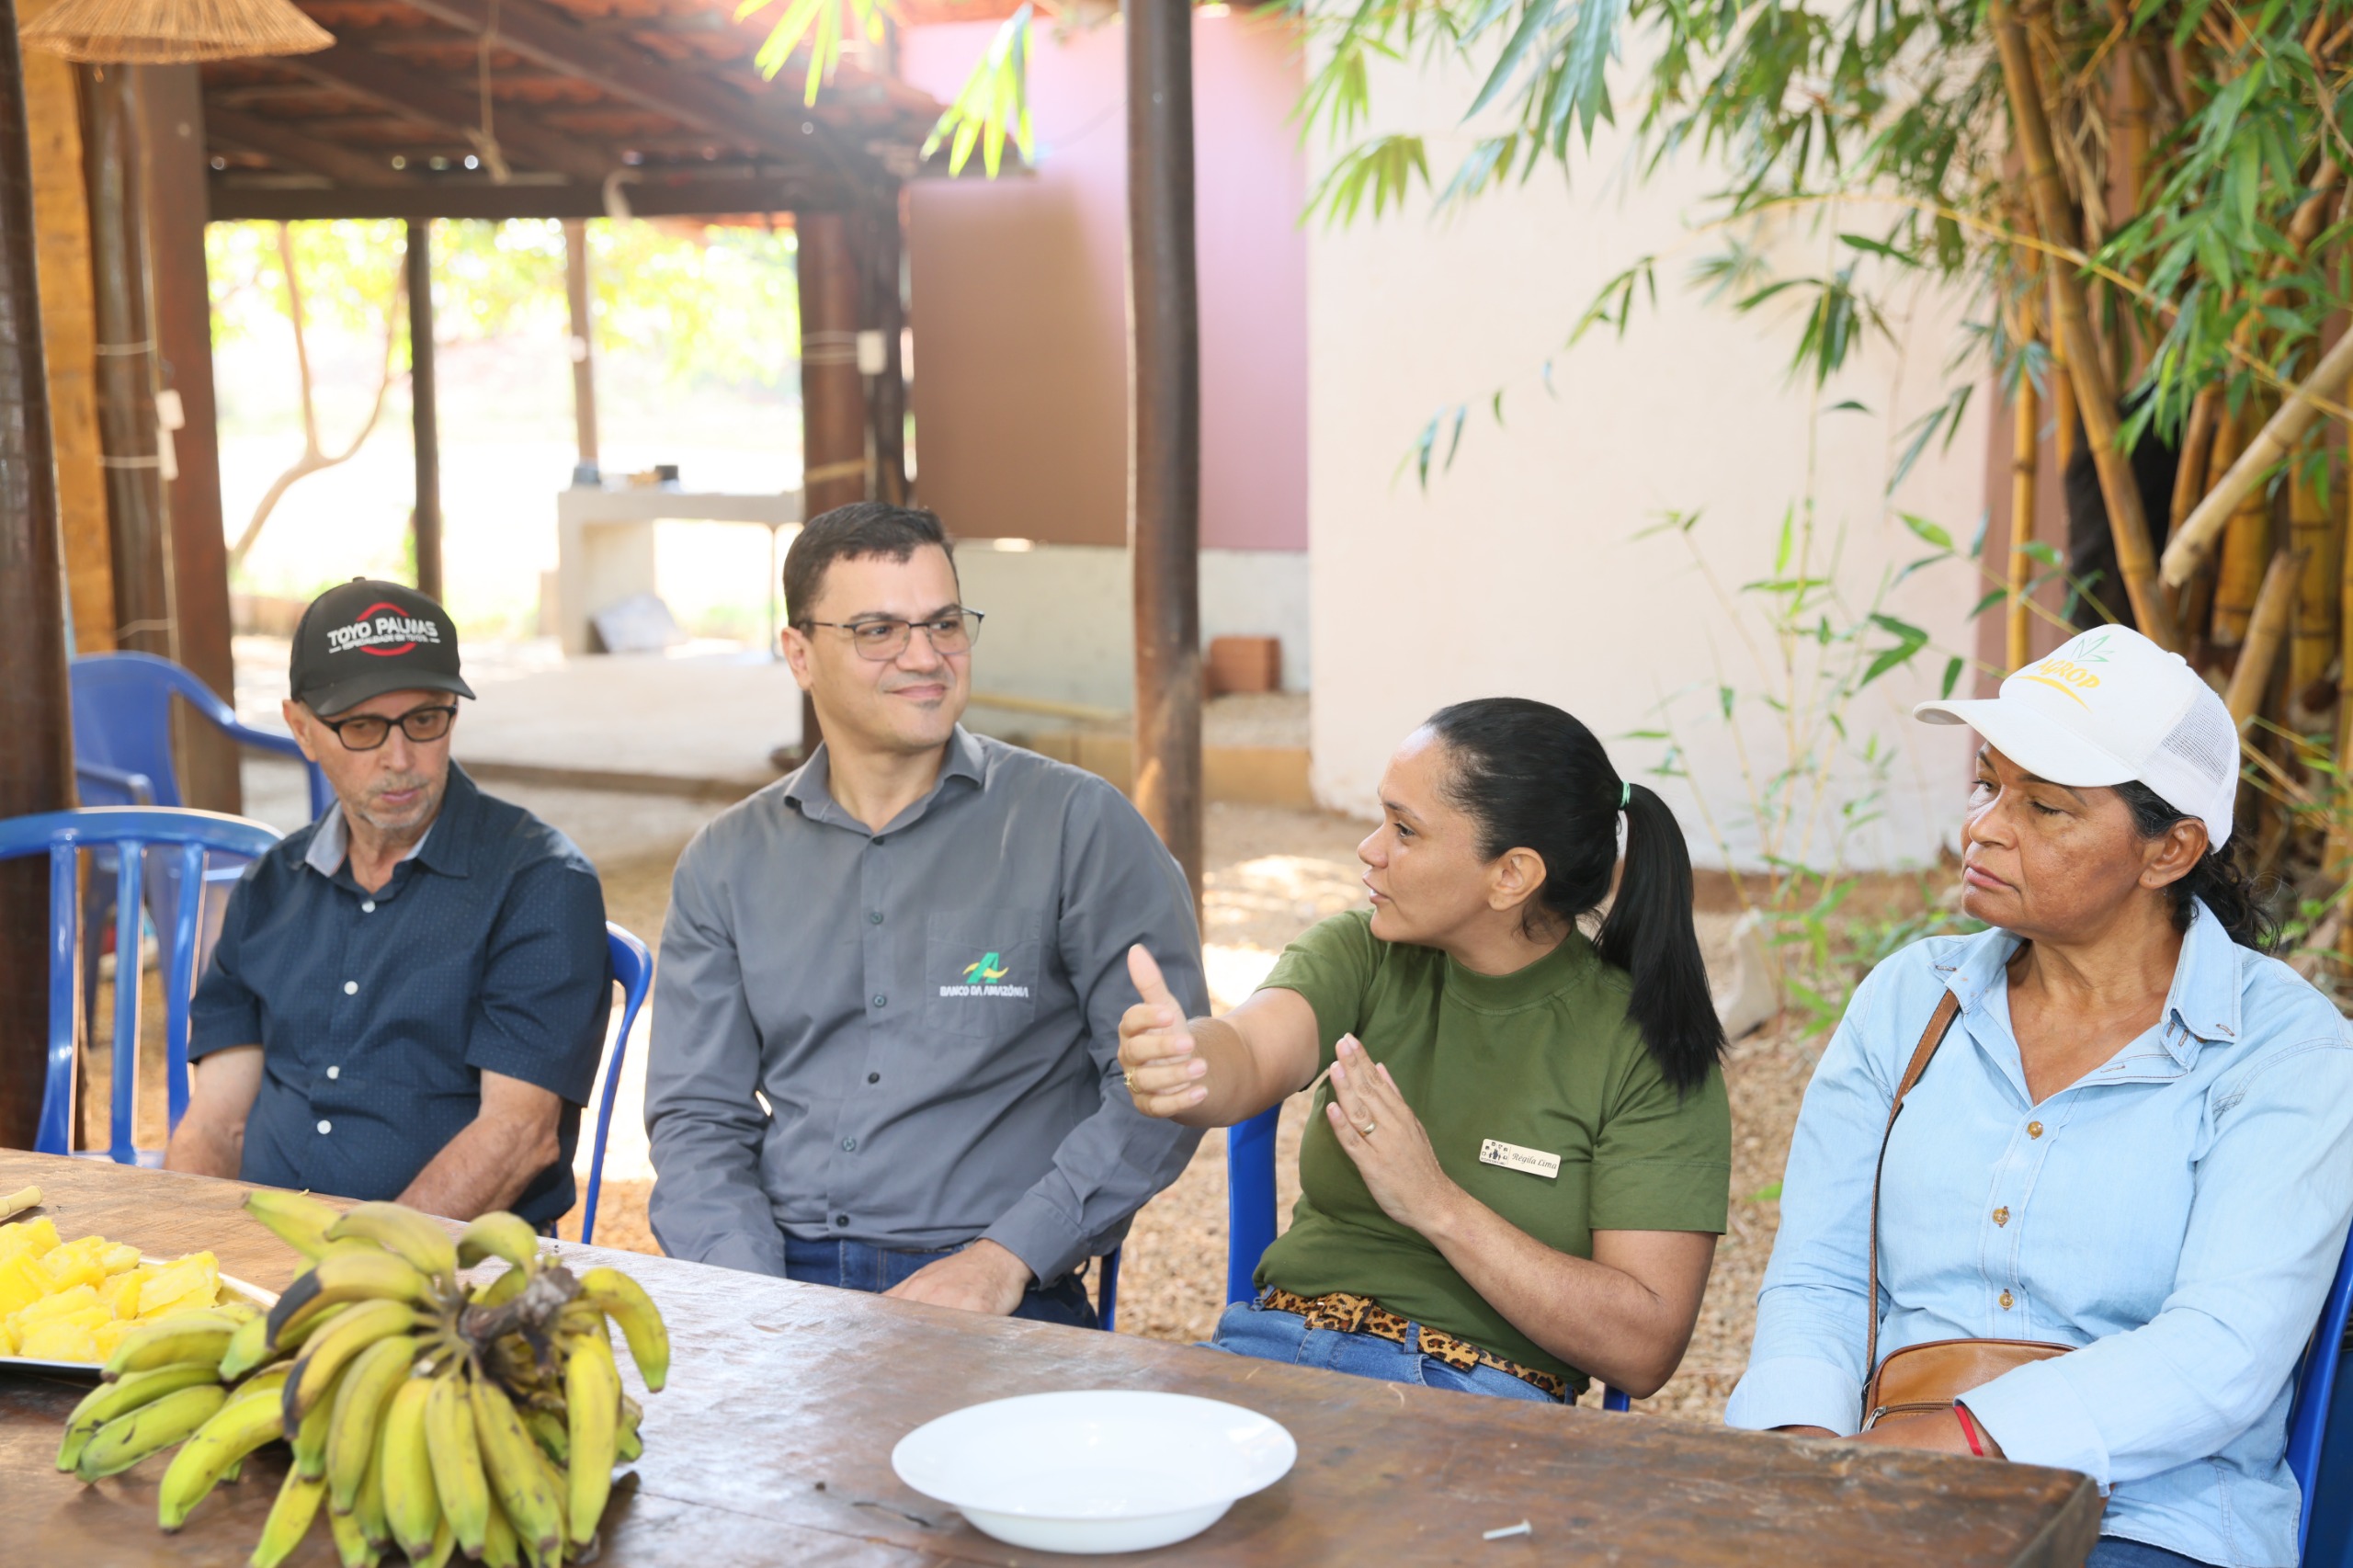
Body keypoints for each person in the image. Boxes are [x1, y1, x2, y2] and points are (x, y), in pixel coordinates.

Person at [1726, 626, 2353, 1568]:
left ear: (2168, 849)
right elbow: (1820, 1277)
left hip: (2149, 1520)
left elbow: (2220, 1349)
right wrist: (1806, 1454)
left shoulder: (2281, 1048)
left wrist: (1961, 1443)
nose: (1984, 825)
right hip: (1879, 1489)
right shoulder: (1907, 1002)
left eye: (2046, 806)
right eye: (1988, 782)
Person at [645, 502, 1207, 1325]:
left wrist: (1005, 1258)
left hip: (999, 1282)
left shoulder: (1077, 827)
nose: (925, 657)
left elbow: (1161, 1087)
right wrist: (749, 1300)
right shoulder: (727, 862)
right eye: (878, 630)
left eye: (944, 623)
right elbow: (698, 1116)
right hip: (775, 1271)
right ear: (799, 653)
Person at [1120, 698, 1730, 1402]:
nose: (1370, 849)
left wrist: (1433, 1201)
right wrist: (1187, 1057)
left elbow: (1643, 1347)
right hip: (1275, 1348)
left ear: (1512, 875)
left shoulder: (1646, 1047)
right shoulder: (1366, 951)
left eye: (1404, 829)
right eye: (1383, 817)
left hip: (1478, 1395)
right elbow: (1251, 1051)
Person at [168, 579, 613, 1229]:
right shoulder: (270, 886)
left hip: (443, 1277)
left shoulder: (539, 884)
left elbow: (518, 1137)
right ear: (302, 729)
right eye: (362, 727)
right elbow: (216, 1122)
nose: (400, 758)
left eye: (425, 720)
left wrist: (348, 1276)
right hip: (262, 1251)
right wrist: (186, 1253)